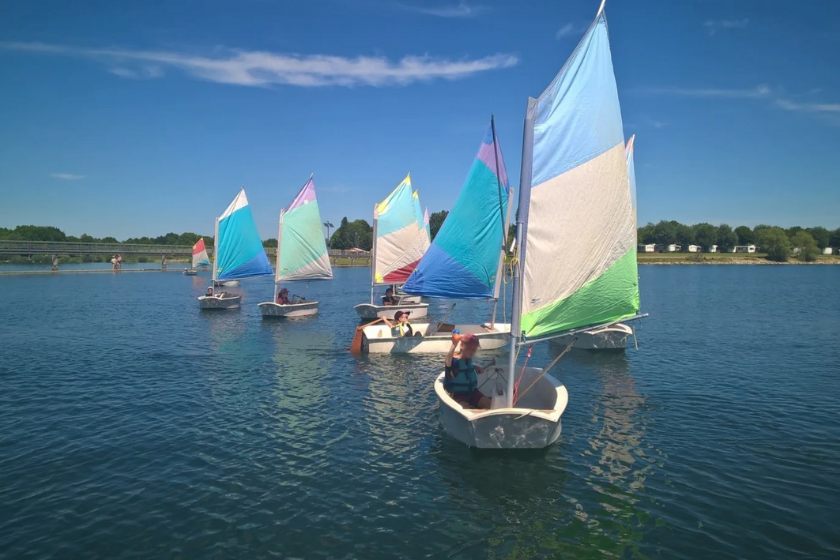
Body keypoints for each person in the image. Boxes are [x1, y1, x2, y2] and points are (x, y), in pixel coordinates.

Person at [444, 333, 491, 409]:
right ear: (462, 346)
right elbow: (447, 362)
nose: (472, 351)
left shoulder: (468, 360)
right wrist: (454, 344)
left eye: (474, 349)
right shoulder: (454, 361)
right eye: (470, 348)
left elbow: (466, 369)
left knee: (488, 404)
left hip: (473, 392)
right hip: (458, 395)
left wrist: (476, 367)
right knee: (465, 408)